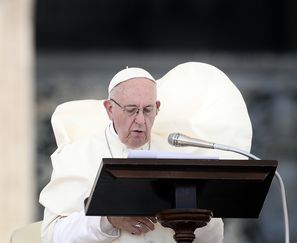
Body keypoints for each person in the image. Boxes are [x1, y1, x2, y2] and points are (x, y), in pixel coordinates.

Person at [39, 67, 224, 243]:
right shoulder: (77, 155)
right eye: (131, 110)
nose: (140, 120)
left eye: (148, 110)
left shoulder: (178, 153)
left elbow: (214, 237)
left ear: (157, 107)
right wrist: (108, 220)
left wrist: (192, 215)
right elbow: (53, 236)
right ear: (110, 109)